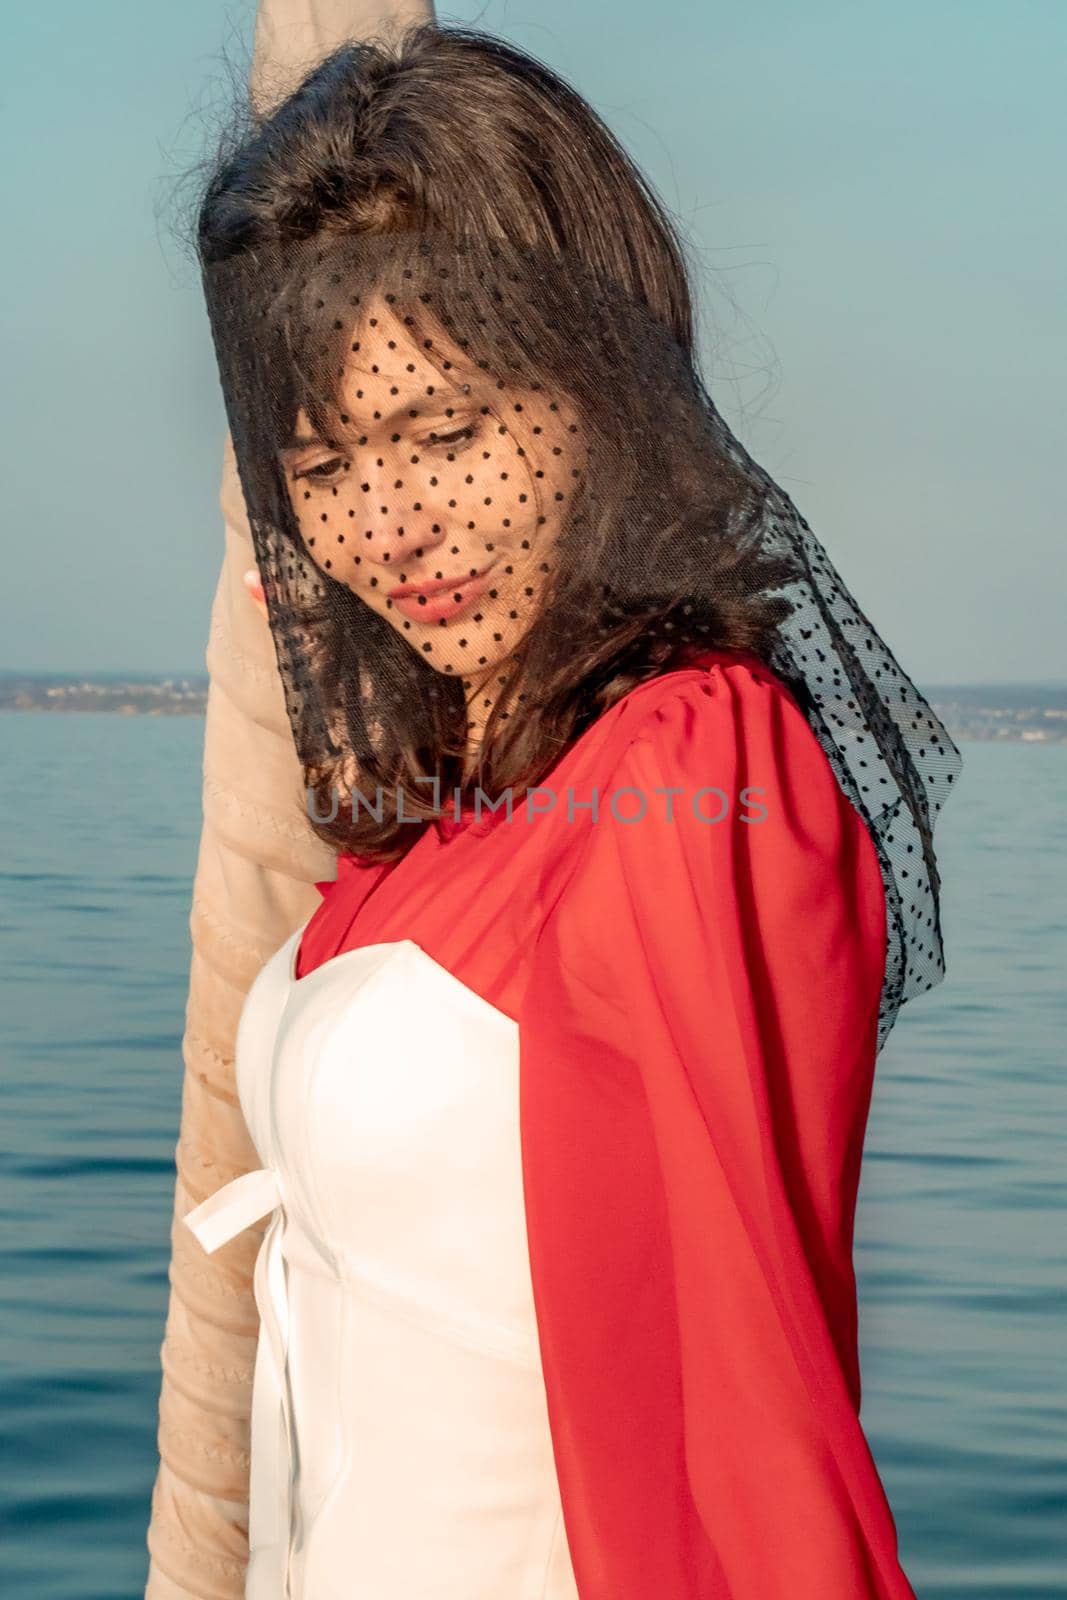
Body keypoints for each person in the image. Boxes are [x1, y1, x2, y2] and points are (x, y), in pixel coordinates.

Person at [160, 18, 961, 1600]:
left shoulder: (690, 768)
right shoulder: (453, 801)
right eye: (322, 464)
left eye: (444, 434)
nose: (385, 527)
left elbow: (757, 1390)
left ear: (600, 384)